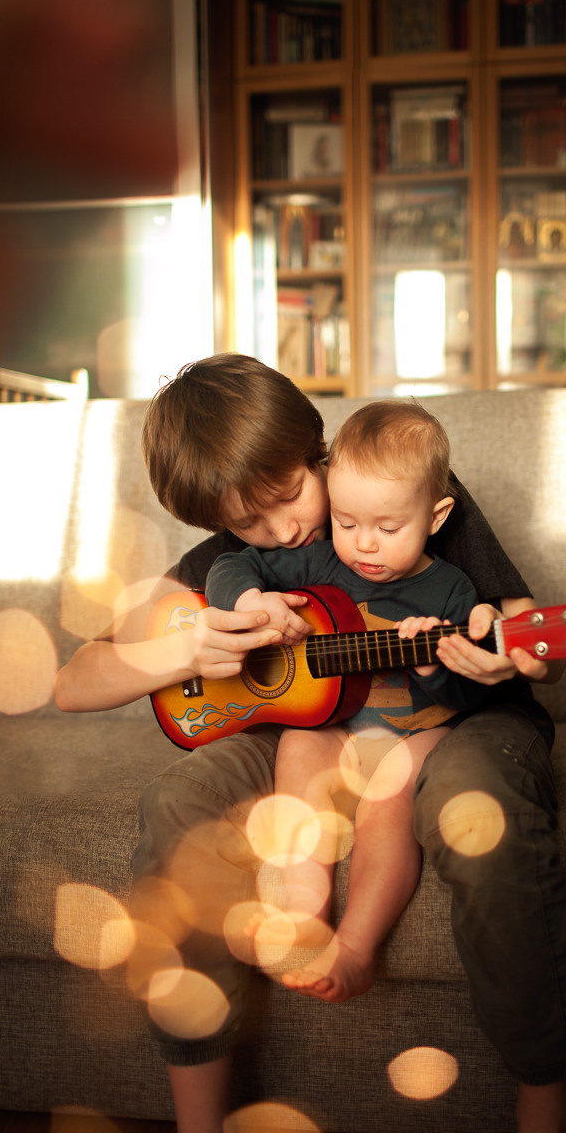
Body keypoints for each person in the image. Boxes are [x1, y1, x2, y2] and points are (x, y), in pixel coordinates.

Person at [54, 354, 566, 1133]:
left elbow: (526, 624)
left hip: (459, 712)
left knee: (477, 811)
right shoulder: (247, 547)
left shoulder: (387, 483)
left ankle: (551, 1120)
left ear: (318, 451)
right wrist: (185, 644)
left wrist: (520, 658)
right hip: (309, 721)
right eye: (248, 527)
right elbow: (72, 683)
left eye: (287, 501)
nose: (284, 534)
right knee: (175, 807)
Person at [205, 399, 491, 1004]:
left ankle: (357, 946)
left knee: (390, 800)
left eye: (388, 529)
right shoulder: (321, 557)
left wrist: (434, 667)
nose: (364, 544)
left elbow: (472, 694)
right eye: (345, 521)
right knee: (299, 750)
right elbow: (231, 564)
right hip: (336, 723)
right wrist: (252, 597)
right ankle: (305, 914)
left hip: (415, 730)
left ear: (436, 516)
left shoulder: (451, 589)